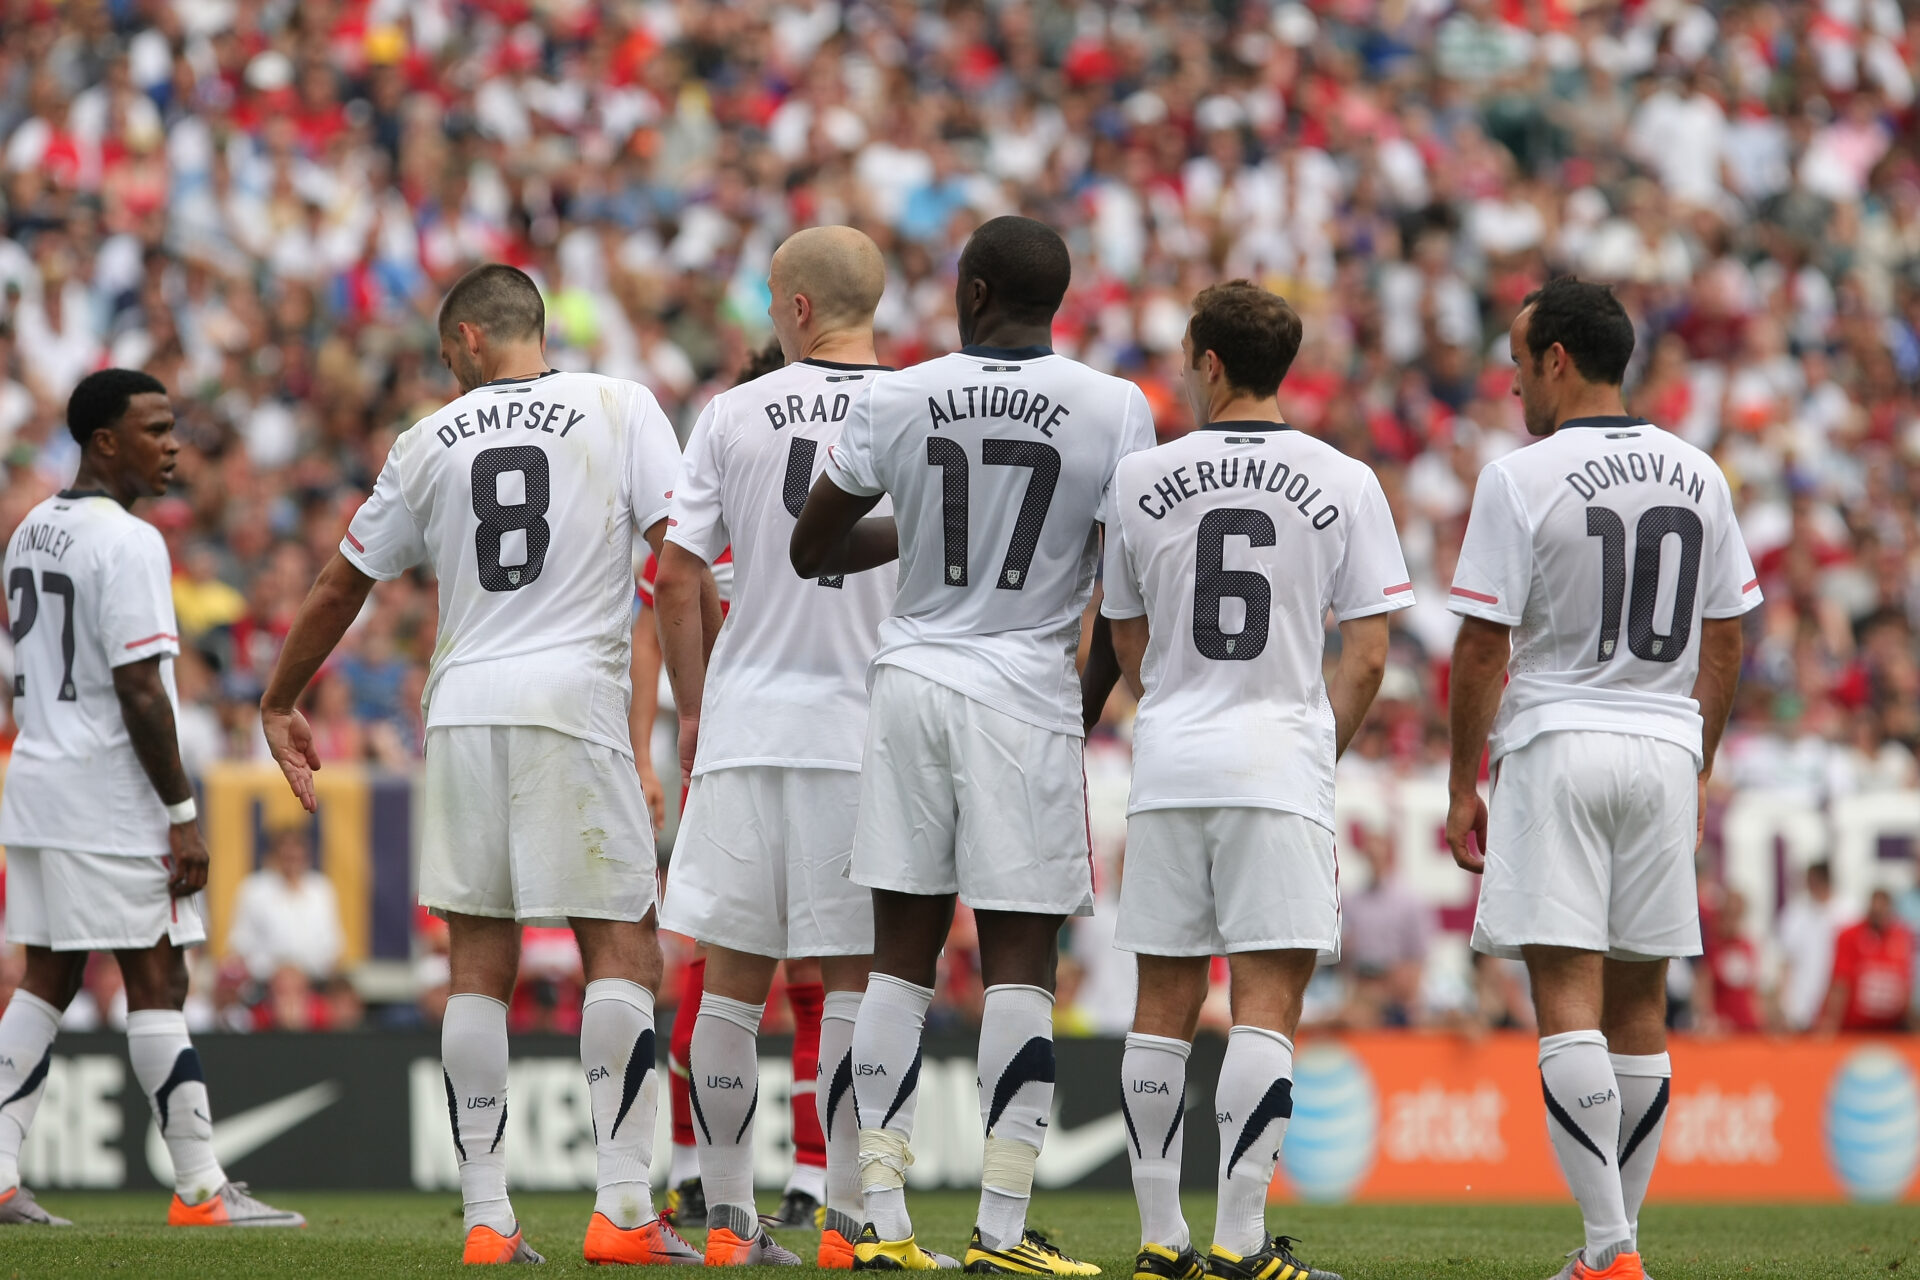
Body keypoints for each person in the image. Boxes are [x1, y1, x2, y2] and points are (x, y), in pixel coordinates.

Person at [258, 264, 698, 1267]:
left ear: (464, 339)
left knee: (477, 964)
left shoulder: (426, 440)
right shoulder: (622, 405)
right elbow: (679, 561)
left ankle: (487, 1217)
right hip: (574, 701)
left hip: (461, 706)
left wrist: (279, 696)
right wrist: (696, 704)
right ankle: (624, 1207)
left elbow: (339, 581)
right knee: (622, 944)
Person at [792, 214, 1155, 1275]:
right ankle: (1000, 1229)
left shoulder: (895, 394)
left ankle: (885, 1221)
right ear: (1058, 299)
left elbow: (815, 544)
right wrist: (1077, 708)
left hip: (912, 678)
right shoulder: (1114, 406)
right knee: (1019, 969)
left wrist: (915, 530)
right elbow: (1121, 590)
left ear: (979, 290)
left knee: (898, 960)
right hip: (1026, 690)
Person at [1446, 277, 1759, 1280]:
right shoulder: (1698, 472)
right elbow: (1727, 637)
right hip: (1666, 747)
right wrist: (1697, 757)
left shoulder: (1519, 476)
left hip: (1560, 738)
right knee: (1641, 1006)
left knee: (1568, 999)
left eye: (1517, 361)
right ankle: (1611, 1250)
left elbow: (1480, 647)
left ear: (1559, 360)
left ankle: (1611, 1250)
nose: (1510, 384)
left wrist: (1463, 779)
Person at [1102, 281, 1407, 1280]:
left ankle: (1159, 1238)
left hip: (1173, 753)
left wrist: (1170, 701)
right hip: (1279, 756)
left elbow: (1124, 631)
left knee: (1161, 1000)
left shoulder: (1141, 477)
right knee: (1266, 1001)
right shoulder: (1346, 478)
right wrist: (1320, 747)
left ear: (1213, 364)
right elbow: (1366, 655)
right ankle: (1239, 1241)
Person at [0, 369, 303, 1229]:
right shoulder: (128, 541)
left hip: (39, 782)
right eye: (156, 429)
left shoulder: (30, 531)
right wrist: (181, 816)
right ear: (106, 441)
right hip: (105, 792)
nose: (174, 444)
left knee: (49, 977)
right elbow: (140, 689)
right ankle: (203, 1188)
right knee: (159, 971)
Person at [656, 226, 897, 1268]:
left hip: (749, 720)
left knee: (730, 982)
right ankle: (846, 1222)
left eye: (769, 295)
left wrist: (698, 706)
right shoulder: (919, 405)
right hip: (864, 726)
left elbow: (677, 576)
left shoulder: (729, 413)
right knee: (850, 980)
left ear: (797, 307)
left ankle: (725, 1222)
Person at [225, 827, 344, 982]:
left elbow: (333, 945)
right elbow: (240, 944)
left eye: (296, 854)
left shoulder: (321, 889)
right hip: (265, 984)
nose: (291, 859)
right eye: (286, 854)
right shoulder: (254, 889)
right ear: (274, 855)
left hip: (313, 983)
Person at [1819, 889, 1914, 1033]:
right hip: (1853, 1030)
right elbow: (1840, 983)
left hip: (1890, 1031)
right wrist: (1830, 1023)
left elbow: (1905, 987)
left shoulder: (1901, 938)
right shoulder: (1851, 936)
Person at [1774, 862, 1844, 1032]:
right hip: (1799, 1012)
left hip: (1835, 1013)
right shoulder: (1794, 914)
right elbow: (1785, 964)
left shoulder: (1846, 913)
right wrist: (1783, 1008)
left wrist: (1835, 1012)